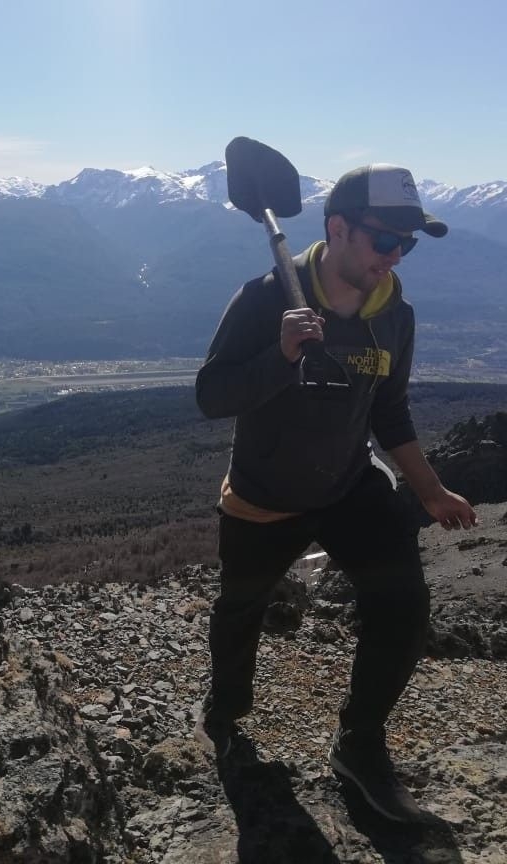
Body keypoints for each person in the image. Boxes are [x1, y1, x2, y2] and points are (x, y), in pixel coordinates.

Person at [194, 163, 477, 822]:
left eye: (407, 243)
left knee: (403, 602)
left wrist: (430, 490)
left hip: (350, 484)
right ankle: (228, 717)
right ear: (337, 229)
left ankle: (361, 741)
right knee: (240, 611)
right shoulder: (267, 299)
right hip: (265, 494)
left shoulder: (395, 315)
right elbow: (211, 395)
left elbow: (391, 411)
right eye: (385, 240)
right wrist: (282, 356)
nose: (395, 256)